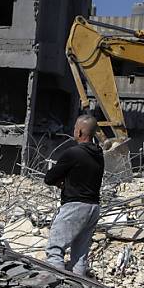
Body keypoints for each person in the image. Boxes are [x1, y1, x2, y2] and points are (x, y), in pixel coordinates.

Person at [44, 115, 104, 276]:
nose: (73, 131)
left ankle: (55, 285)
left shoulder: (73, 153)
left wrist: (60, 182)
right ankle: (78, 287)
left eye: (75, 128)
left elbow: (49, 178)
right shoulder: (99, 155)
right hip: (93, 208)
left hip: (75, 206)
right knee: (79, 256)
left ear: (80, 132)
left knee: (55, 249)